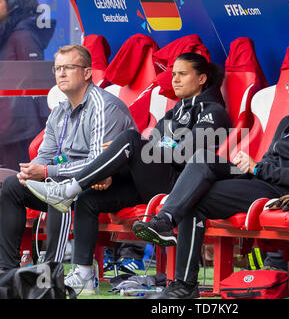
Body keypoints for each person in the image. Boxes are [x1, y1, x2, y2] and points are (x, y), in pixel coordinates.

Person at [131, 61, 289, 298]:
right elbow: (270, 160)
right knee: (203, 158)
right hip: (261, 178)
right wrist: (254, 167)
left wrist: (257, 169)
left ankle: (184, 285)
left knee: (195, 200)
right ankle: (165, 220)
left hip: (280, 192)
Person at [26, 52, 232, 294]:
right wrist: (115, 165)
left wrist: (153, 144)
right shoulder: (174, 112)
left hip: (182, 188)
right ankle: (83, 273)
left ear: (201, 78)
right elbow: (158, 144)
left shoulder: (213, 111)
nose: (175, 79)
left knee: (131, 140)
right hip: (152, 182)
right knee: (89, 199)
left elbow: (185, 152)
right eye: (173, 74)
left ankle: (68, 188)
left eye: (182, 74)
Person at [0, 45, 135, 279]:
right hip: (71, 181)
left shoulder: (104, 106)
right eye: (58, 68)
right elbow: (46, 153)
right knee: (13, 186)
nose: (61, 73)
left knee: (57, 190)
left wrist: (47, 170)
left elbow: (98, 163)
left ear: (87, 73)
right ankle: (7, 270)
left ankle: (51, 271)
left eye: (69, 68)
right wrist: (33, 171)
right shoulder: (59, 110)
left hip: (108, 184)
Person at [0, 0, 56, 169]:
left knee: (13, 178)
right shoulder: (8, 34)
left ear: (13, 4)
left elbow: (32, 80)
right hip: (8, 125)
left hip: (18, 128)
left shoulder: (22, 36)